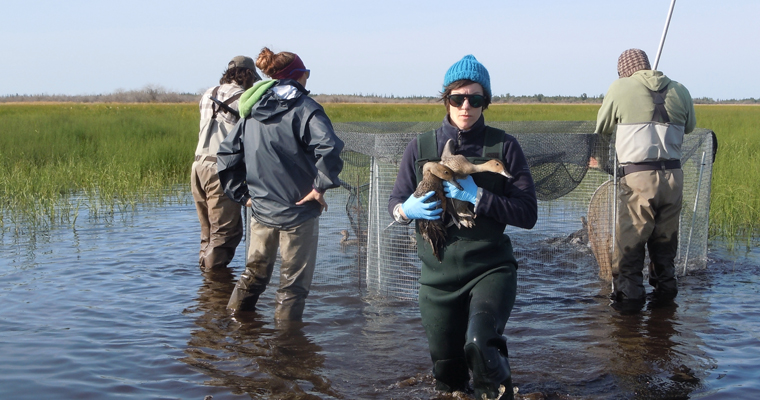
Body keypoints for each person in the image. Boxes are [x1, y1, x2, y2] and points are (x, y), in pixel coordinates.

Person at [388, 55, 537, 400]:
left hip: (490, 269)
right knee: (448, 377)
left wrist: (481, 197)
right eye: (457, 98)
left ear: (486, 102)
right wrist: (404, 211)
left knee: (479, 344)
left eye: (475, 98)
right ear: (446, 100)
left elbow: (528, 214)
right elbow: (395, 202)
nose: (466, 106)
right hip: (436, 278)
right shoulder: (420, 148)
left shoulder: (504, 147)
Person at [217, 47, 344, 321]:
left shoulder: (253, 109)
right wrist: (319, 187)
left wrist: (243, 195)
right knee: (292, 288)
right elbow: (330, 148)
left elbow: (226, 155)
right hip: (299, 212)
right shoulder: (305, 108)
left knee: (253, 274)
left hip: (261, 210)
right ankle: (287, 352)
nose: (308, 78)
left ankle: (234, 330)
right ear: (299, 76)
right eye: (306, 74)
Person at [594, 48, 696, 310]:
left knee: (630, 249)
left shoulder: (620, 87)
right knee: (665, 247)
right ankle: (665, 315)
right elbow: (690, 126)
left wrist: (603, 163)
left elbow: (602, 130)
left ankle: (629, 316)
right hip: (673, 178)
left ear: (624, 71)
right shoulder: (680, 90)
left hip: (638, 178)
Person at [191, 56, 261, 272]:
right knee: (225, 235)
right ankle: (216, 294)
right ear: (247, 74)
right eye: (252, 79)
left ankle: (205, 288)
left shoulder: (207, 94)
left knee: (208, 233)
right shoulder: (243, 98)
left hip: (198, 168)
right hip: (220, 170)